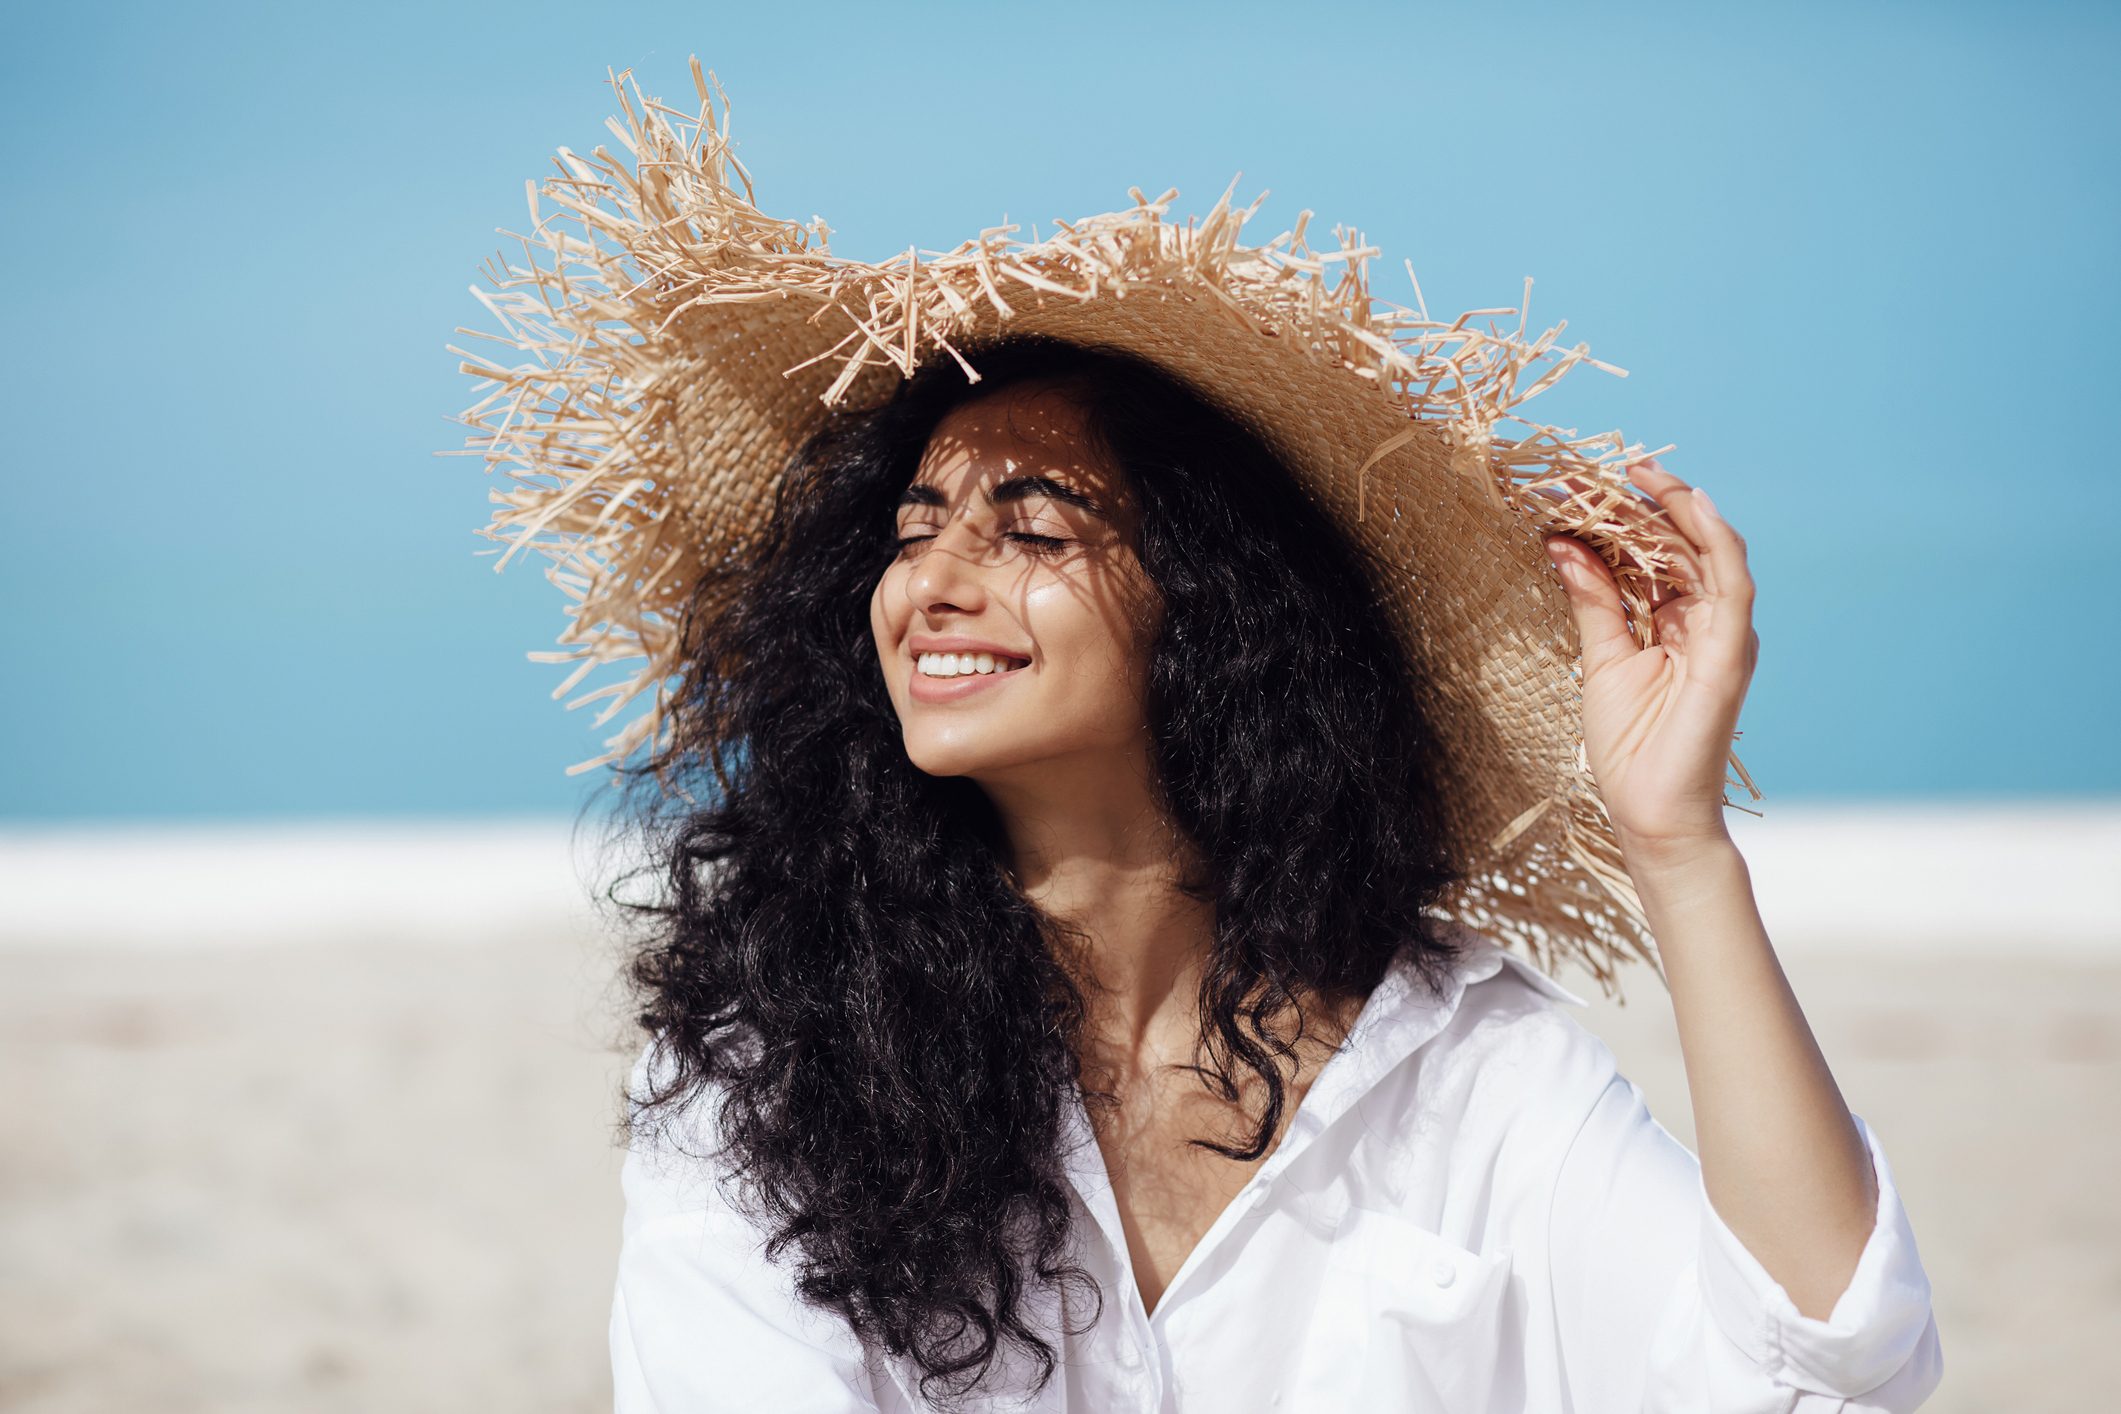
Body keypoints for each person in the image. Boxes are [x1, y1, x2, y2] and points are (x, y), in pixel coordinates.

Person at [595, 335, 1944, 1412]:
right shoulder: (772, 1062)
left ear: (1216, 599)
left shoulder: (1460, 1064)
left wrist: (1677, 847)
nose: (931, 583)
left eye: (1034, 528)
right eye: (914, 524)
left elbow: (1828, 1369)